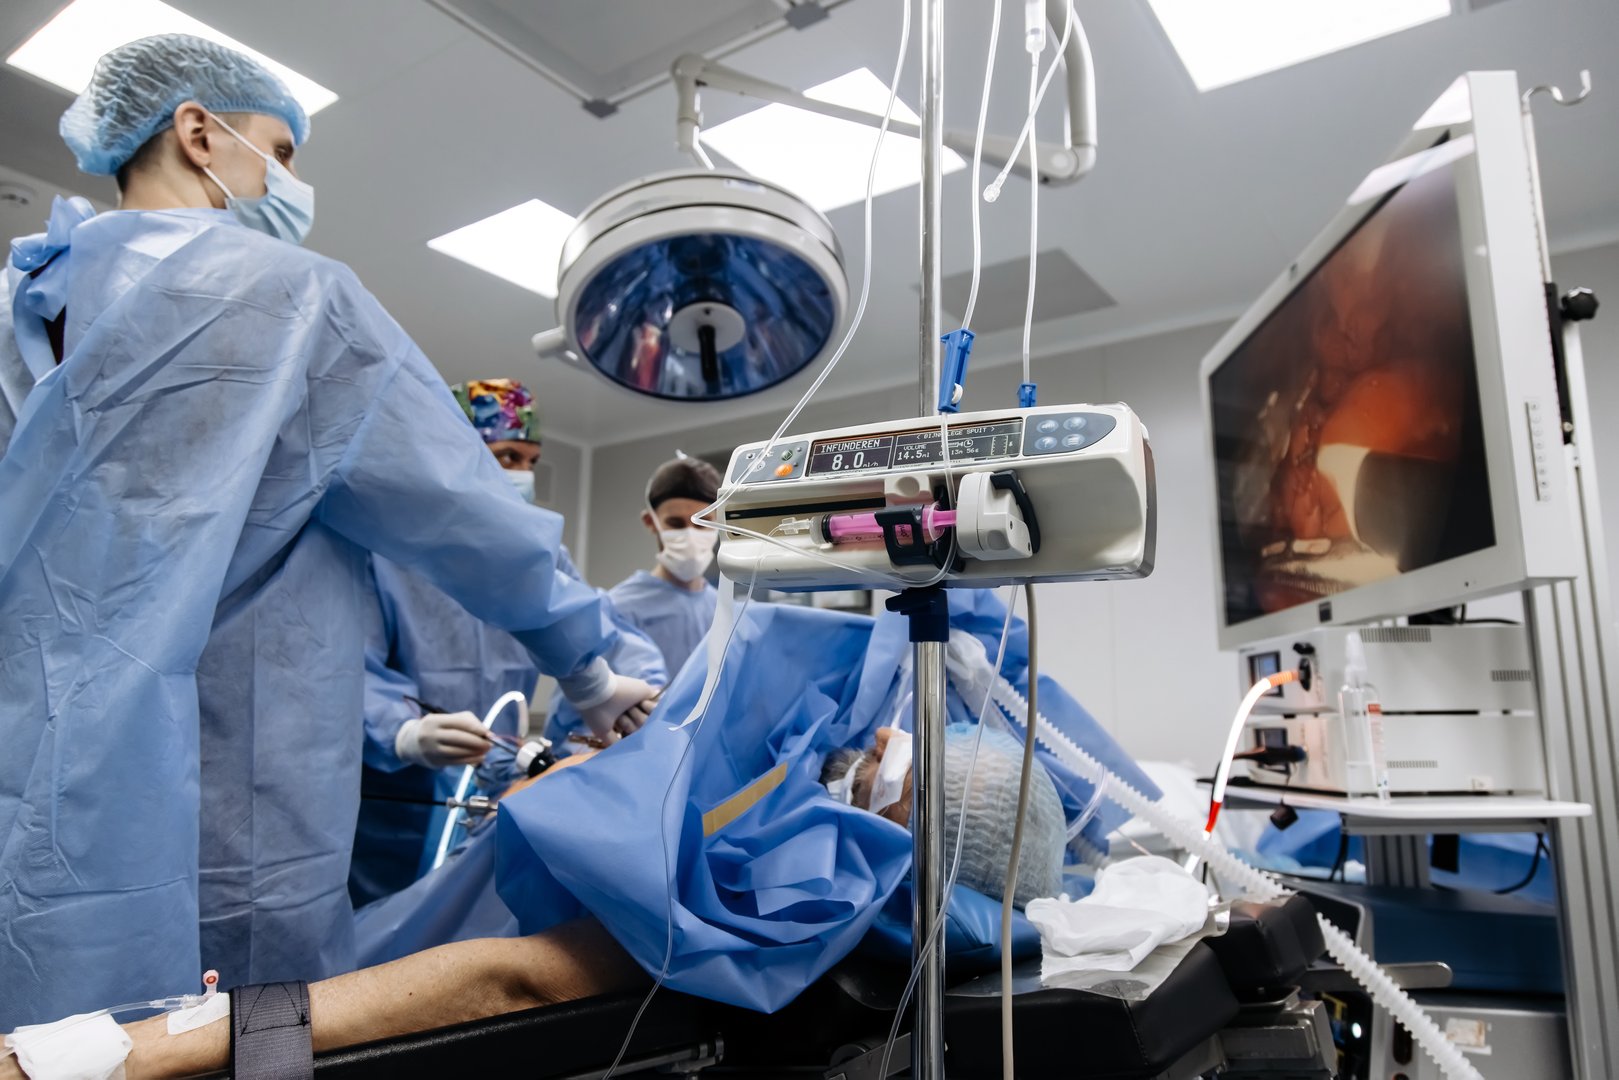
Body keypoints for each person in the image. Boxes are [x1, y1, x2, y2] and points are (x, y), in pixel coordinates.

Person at [0, 34, 657, 1028]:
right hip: (241, 793)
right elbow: (465, 512)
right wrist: (592, 667)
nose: (289, 179)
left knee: (65, 1033)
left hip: (36, 776)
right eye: (281, 149)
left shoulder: (26, 306)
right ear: (197, 132)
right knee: (254, 1026)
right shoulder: (286, 299)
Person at [0, 698, 1072, 1080]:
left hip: (322, 994)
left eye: (882, 761)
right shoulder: (776, 857)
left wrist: (127, 1048)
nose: (850, 750)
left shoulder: (786, 912)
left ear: (910, 829)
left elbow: (513, 981)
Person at [351, 379, 667, 906]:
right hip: (404, 805)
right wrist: (404, 733)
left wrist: (648, 691)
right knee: (388, 943)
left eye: (530, 459)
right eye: (505, 455)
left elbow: (596, 629)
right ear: (456, 449)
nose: (521, 473)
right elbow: (348, 671)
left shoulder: (537, 553)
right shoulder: (386, 552)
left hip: (502, 790)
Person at [610, 457, 723, 675]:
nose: (690, 533)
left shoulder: (726, 611)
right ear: (651, 522)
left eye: (703, 522)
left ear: (719, 523)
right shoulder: (619, 609)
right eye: (676, 523)